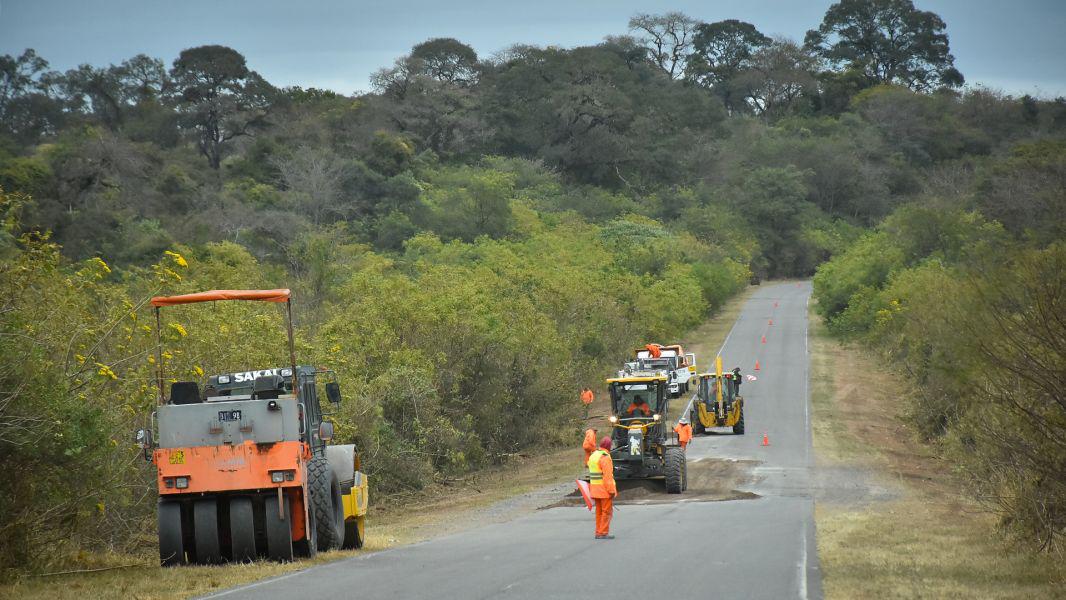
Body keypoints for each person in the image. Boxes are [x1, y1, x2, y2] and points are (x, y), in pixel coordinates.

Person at [588, 436, 616, 539]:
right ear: (609, 446)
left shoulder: (593, 455)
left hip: (594, 489)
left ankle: (598, 531)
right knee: (606, 512)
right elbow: (607, 477)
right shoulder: (605, 457)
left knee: (599, 512)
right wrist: (612, 491)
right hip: (604, 490)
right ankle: (603, 532)